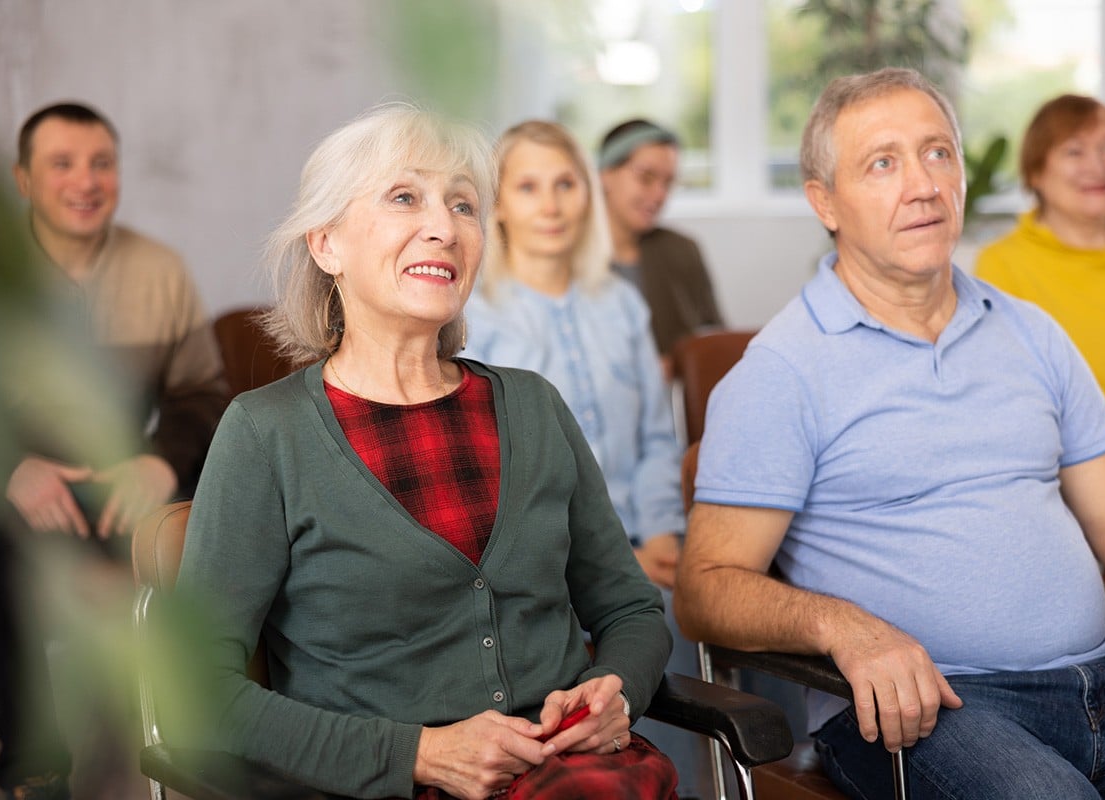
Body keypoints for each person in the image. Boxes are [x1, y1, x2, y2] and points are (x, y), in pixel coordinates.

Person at [674, 67, 1105, 799]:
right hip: (931, 711)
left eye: (938, 152)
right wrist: (846, 628)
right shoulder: (783, 370)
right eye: (883, 162)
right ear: (826, 202)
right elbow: (706, 588)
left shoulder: (1031, 333)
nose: (923, 184)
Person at [174, 104, 678, 800]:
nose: (444, 227)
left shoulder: (534, 405)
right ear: (327, 245)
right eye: (405, 197)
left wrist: (614, 686)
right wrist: (416, 752)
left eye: (464, 205)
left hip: (577, 774)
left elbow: (630, 611)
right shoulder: (267, 433)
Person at [462, 120, 708, 798]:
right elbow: (500, 486)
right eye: (529, 186)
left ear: (587, 194)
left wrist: (661, 530)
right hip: (551, 565)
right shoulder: (474, 321)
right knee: (660, 614)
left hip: (643, 539)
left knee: (719, 591)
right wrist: (617, 562)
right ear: (499, 204)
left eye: (565, 183)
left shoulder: (622, 304)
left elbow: (659, 436)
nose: (551, 204)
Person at [9, 102, 228, 541]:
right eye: (62, 163)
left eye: (102, 164)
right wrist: (5, 470)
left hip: (123, 493)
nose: (86, 182)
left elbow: (202, 392)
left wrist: (160, 463)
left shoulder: (161, 268)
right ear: (23, 180)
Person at [974, 94, 1105, 519]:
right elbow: (1011, 401)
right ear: (1036, 170)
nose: (1099, 165)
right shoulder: (1002, 267)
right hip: (1095, 480)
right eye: (1074, 151)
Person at [598, 119, 723, 374]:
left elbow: (715, 340)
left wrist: (678, 365)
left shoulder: (683, 250)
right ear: (606, 175)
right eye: (646, 178)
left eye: (667, 183)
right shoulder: (565, 256)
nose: (659, 195)